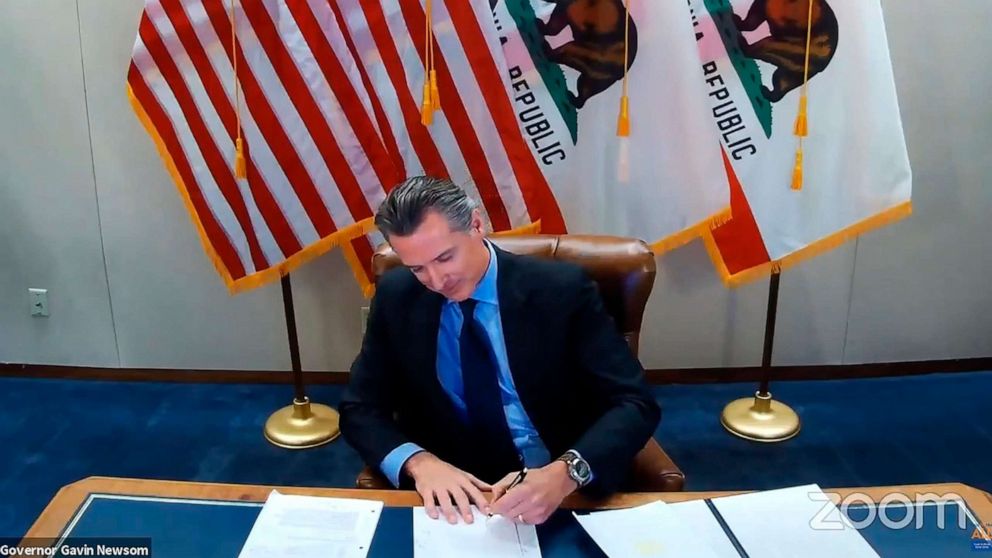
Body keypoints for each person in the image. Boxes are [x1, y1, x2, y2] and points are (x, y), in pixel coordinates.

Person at [340, 176, 660, 526]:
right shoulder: (396, 296)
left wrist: (566, 472)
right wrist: (420, 463)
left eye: (445, 257)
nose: (436, 280)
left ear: (477, 225)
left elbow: (635, 403)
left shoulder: (562, 292)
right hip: (457, 498)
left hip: (559, 487)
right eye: (418, 268)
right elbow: (360, 407)